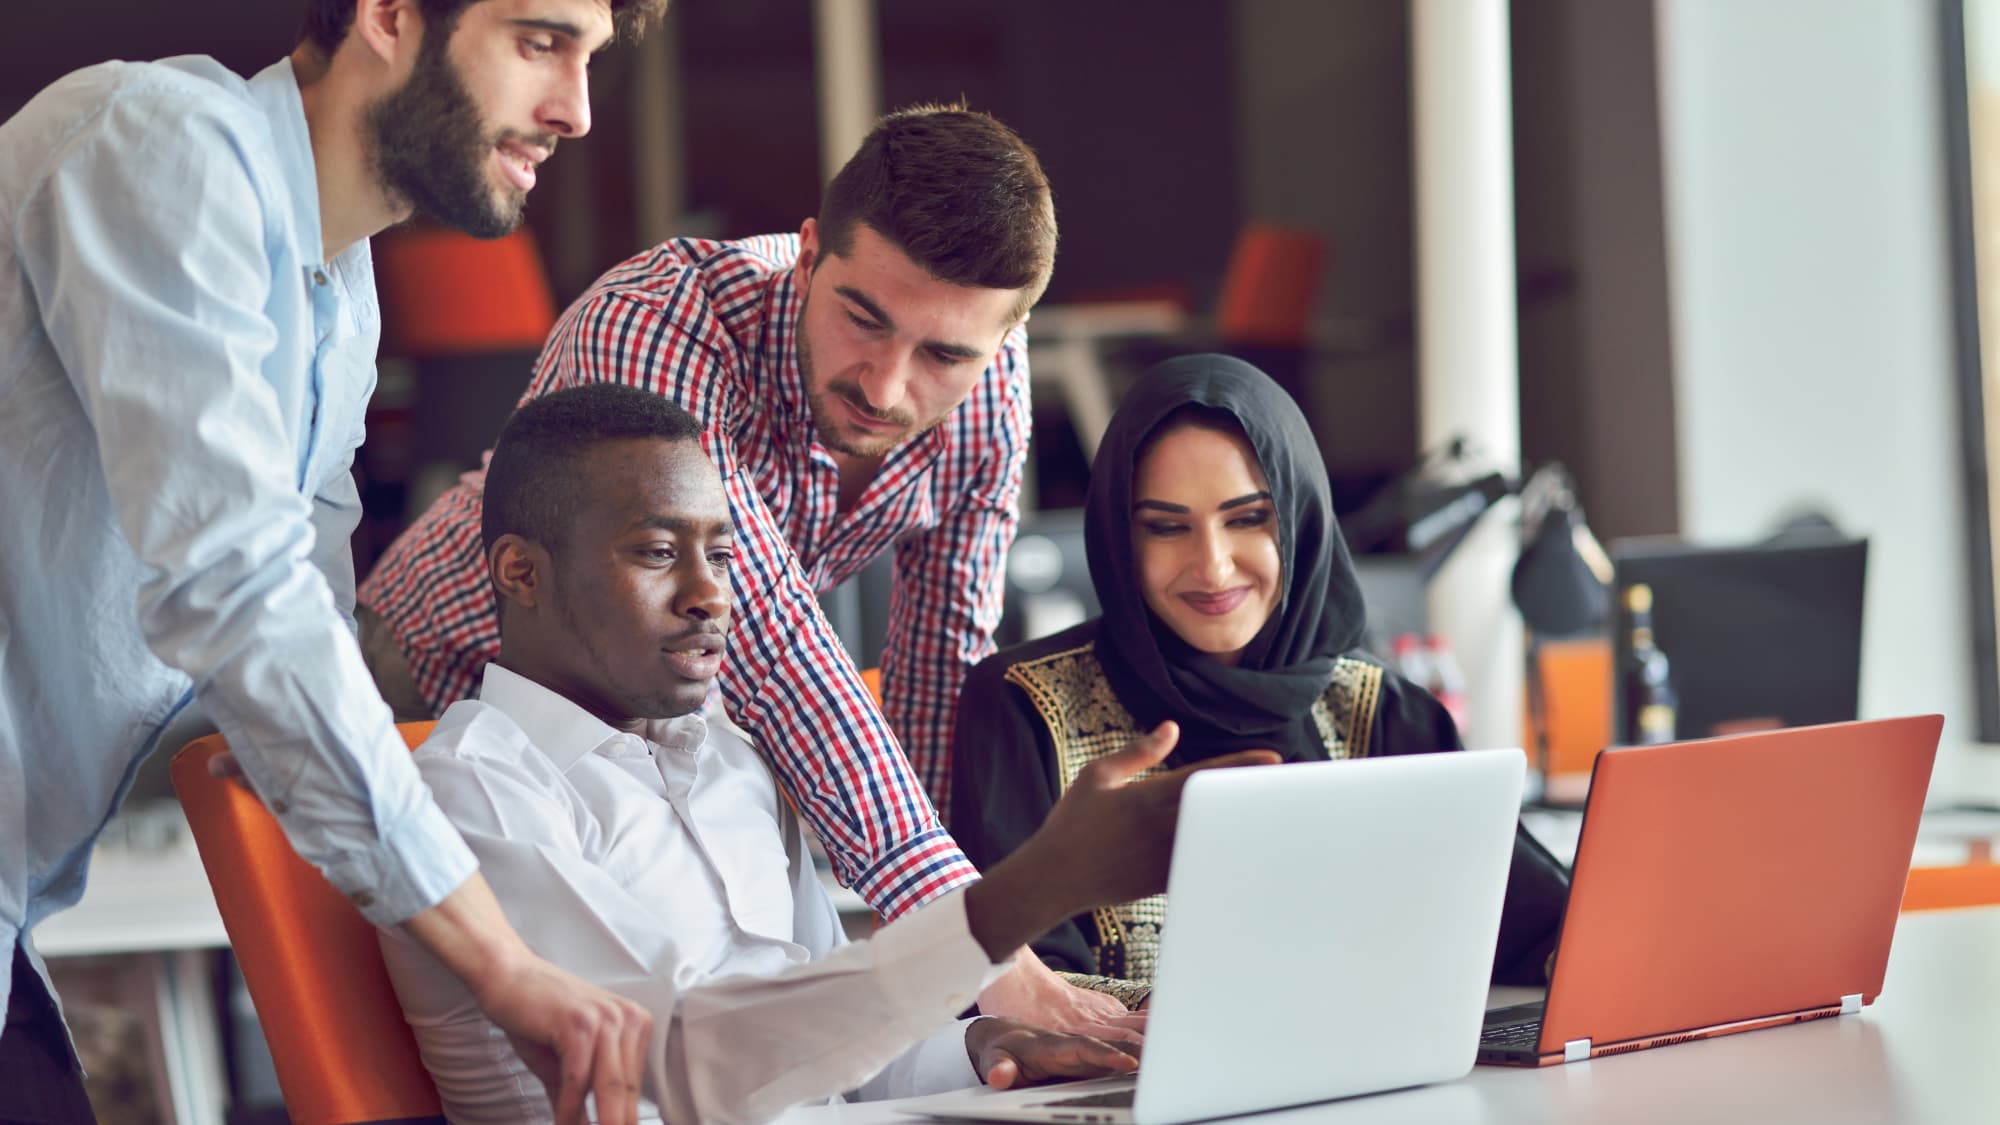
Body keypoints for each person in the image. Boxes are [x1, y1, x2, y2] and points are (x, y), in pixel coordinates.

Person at [0, 3, 668, 1119]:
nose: (576, 111)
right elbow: (238, 595)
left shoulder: (334, 295)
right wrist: (496, 961)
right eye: (539, 41)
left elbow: (304, 652)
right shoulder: (155, 140)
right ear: (390, 15)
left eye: (590, 59)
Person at [359, 103, 1123, 1031]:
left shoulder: (990, 395)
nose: (886, 384)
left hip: (655, 711)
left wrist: (957, 985)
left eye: (944, 353)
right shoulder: (660, 323)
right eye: (863, 318)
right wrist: (971, 938)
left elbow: (939, 673)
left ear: (1003, 343)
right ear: (807, 255)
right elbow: (769, 636)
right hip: (432, 673)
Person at [377, 383, 1273, 1122]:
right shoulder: (465, 794)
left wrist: (973, 1048)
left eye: (722, 556)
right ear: (520, 572)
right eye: (657, 552)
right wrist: (1032, 890)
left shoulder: (730, 759)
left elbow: (822, 1033)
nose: (710, 595)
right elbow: (691, 1060)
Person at [948, 355, 1572, 1002]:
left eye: (1248, 518)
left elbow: (1538, 932)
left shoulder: (1383, 711)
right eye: (1165, 527)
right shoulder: (1024, 707)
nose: (1213, 567)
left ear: (1300, 519)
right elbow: (1012, 985)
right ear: (1118, 537)